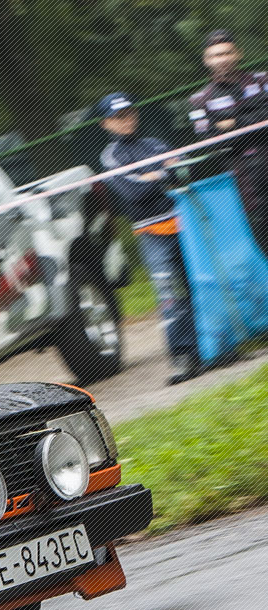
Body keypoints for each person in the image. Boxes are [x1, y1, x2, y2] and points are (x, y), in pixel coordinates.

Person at [97, 93, 204, 385]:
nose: (127, 120)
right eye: (118, 117)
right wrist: (163, 172)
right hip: (152, 233)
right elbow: (133, 193)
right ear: (106, 123)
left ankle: (212, 347)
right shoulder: (110, 156)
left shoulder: (156, 144)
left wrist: (152, 176)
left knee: (200, 283)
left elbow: (184, 171)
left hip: (184, 223)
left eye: (130, 113)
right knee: (169, 295)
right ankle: (182, 356)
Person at [189, 29, 268, 253]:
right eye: (216, 55)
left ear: (238, 54)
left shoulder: (263, 79)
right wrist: (255, 116)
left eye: (227, 53)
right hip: (246, 183)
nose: (222, 59)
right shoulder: (199, 100)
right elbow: (211, 140)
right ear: (206, 60)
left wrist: (233, 123)